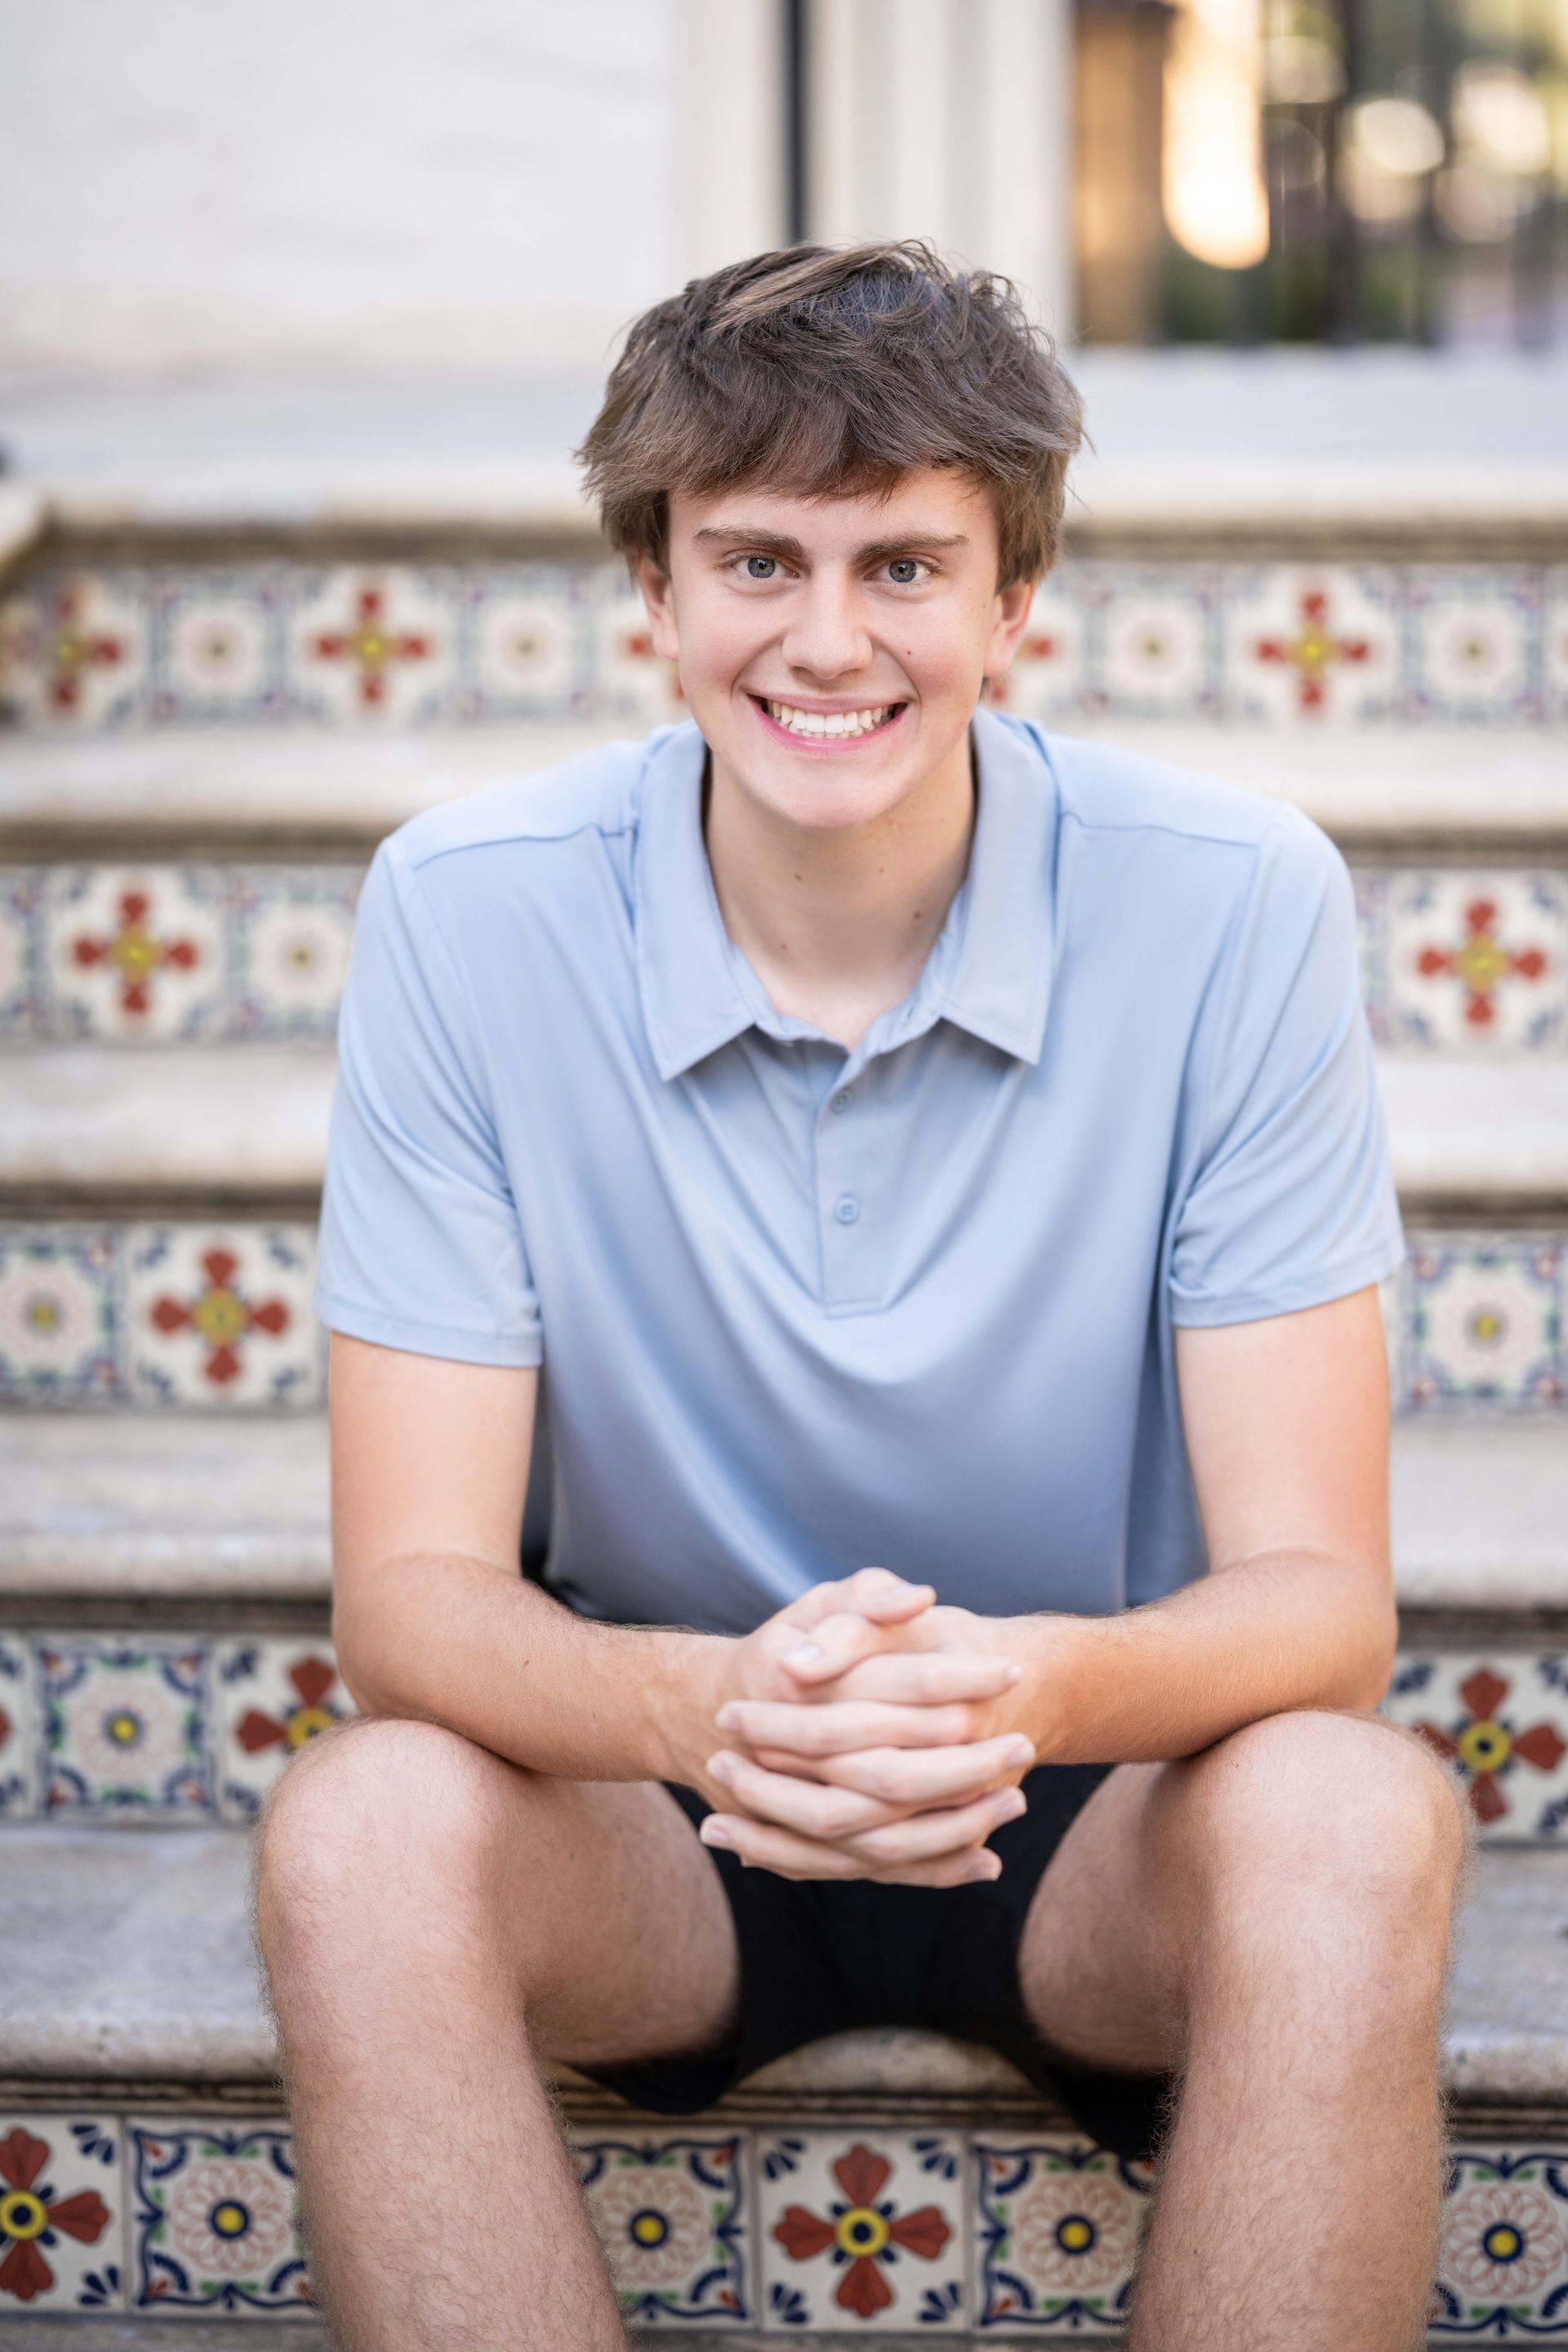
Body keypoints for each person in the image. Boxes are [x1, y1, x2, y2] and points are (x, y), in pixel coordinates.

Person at [255, 242, 1473, 2351]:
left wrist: (1025, 1696)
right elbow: (413, 1606)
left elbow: (1318, 1603)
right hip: (657, 1808)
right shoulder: (463, 918)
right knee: (358, 1833)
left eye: (905, 567)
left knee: (1359, 1815)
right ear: (654, 594)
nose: (829, 642)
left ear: (1019, 607)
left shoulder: (1234, 902)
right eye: (757, 561)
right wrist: (710, 1713)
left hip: (1101, 1798)